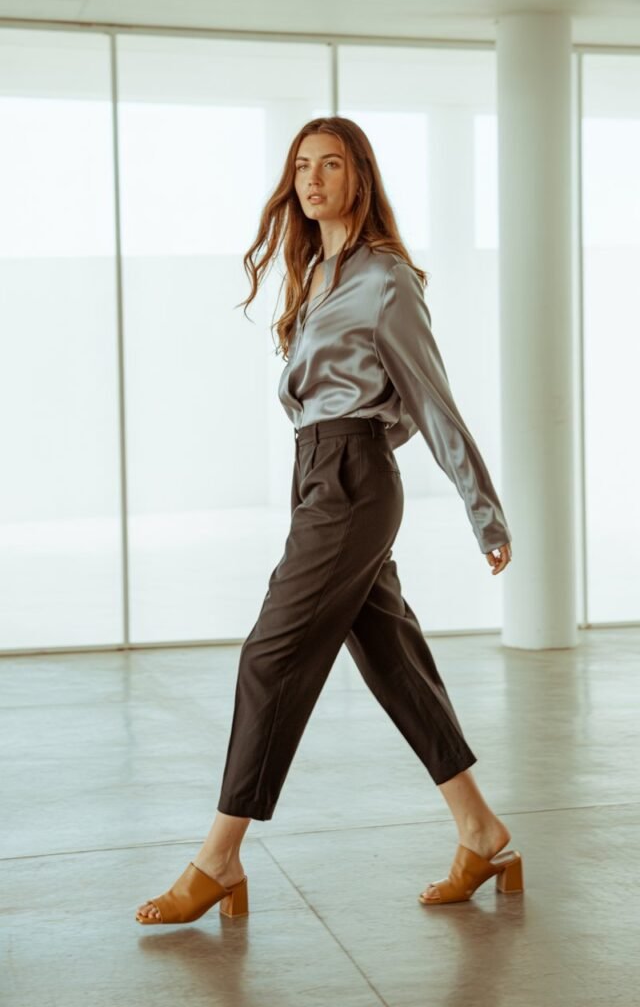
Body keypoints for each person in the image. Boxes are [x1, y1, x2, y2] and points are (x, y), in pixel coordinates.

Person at [135, 116, 523, 925]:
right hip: (319, 477)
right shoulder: (315, 275)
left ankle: (219, 856)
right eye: (302, 166)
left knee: (268, 654)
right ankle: (481, 831)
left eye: (331, 165)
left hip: (351, 482)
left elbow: (429, 399)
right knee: (393, 661)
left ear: (360, 178)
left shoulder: (385, 277)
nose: (312, 180)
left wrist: (482, 512)